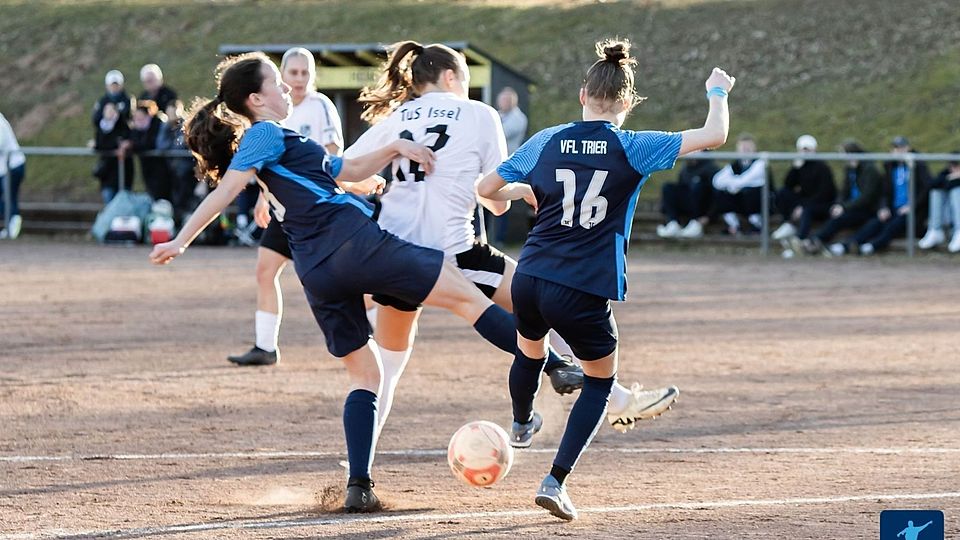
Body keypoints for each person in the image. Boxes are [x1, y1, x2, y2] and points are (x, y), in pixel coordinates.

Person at [149, 52, 560, 513]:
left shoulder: (282, 140)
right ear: (254, 100)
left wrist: (393, 151)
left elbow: (346, 173)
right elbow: (227, 190)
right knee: (466, 296)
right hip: (356, 245)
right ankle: (552, 367)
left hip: (317, 273)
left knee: (367, 375)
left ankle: (358, 485)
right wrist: (181, 239)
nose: (287, 90)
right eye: (277, 85)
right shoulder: (263, 133)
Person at [345, 41, 674, 435]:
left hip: (395, 256)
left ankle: (358, 467)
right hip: (455, 254)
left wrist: (372, 183)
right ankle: (601, 391)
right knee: (545, 300)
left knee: (388, 368)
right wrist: (522, 190)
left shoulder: (395, 120)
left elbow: (341, 172)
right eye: (465, 77)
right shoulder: (479, 114)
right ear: (451, 77)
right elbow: (496, 202)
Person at [478, 38, 734, 520]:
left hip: (530, 276)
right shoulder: (634, 146)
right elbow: (714, 134)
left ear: (582, 94)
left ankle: (519, 423)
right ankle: (555, 481)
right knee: (600, 383)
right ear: (628, 103)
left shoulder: (548, 139)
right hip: (583, 287)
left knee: (530, 350)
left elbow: (486, 190)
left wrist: (517, 194)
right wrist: (717, 90)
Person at [227, 47, 348, 366]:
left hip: (316, 207)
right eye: (292, 73)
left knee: (346, 276)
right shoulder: (279, 109)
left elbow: (333, 154)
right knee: (265, 269)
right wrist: (266, 198)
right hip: (286, 209)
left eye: (304, 73)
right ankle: (265, 346)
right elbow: (275, 163)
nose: (298, 79)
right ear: (281, 75)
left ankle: (373, 334)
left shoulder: (320, 105)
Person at [835, 136, 930, 255]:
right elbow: (884, 191)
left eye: (901, 148)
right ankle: (849, 245)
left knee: (894, 224)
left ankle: (872, 246)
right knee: (876, 222)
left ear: (908, 148)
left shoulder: (918, 165)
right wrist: (883, 207)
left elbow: (926, 189)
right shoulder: (890, 166)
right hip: (893, 208)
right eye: (895, 148)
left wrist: (911, 206)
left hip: (913, 210)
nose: (898, 151)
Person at [801, 140, 883, 256]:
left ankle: (818, 241)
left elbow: (867, 197)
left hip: (866, 209)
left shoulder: (869, 170)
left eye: (843, 153)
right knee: (835, 215)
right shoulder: (849, 169)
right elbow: (843, 192)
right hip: (852, 207)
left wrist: (844, 207)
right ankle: (815, 241)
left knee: (842, 218)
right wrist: (839, 205)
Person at [772, 135, 836, 254]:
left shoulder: (822, 168)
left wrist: (802, 207)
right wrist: (795, 168)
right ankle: (788, 223)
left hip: (822, 204)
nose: (804, 153)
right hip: (806, 201)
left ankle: (800, 239)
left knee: (807, 210)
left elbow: (824, 194)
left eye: (807, 150)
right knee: (782, 193)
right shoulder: (800, 166)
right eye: (802, 150)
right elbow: (788, 185)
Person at [710, 133, 767, 235]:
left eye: (748, 147)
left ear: (754, 148)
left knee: (749, 193)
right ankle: (734, 225)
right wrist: (733, 184)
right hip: (739, 200)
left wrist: (732, 183)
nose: (745, 149)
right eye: (742, 147)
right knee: (721, 194)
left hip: (759, 201)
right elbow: (717, 181)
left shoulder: (760, 163)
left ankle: (757, 224)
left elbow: (745, 180)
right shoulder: (735, 165)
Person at [492, 87, 528, 245]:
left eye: (507, 100)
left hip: (508, 166)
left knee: (502, 200)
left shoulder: (518, 118)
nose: (503, 102)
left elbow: (499, 133)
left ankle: (499, 239)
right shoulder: (499, 115)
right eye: (502, 99)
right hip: (493, 165)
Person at [656, 152, 718, 239]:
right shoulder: (685, 169)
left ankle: (695, 224)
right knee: (668, 187)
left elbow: (716, 195)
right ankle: (673, 223)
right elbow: (681, 186)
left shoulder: (711, 168)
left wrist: (709, 216)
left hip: (702, 207)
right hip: (688, 203)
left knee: (698, 186)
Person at [156, 100, 199, 221]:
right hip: (170, 171)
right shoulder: (165, 127)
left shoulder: (187, 126)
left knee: (187, 200)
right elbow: (161, 146)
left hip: (187, 171)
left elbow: (184, 145)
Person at [129, 100, 172, 202]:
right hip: (147, 165)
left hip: (161, 166)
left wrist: (133, 145)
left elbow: (150, 144)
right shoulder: (138, 128)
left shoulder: (157, 124)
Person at [917, 152, 960, 253]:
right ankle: (935, 230)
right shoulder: (947, 172)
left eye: (957, 165)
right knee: (936, 192)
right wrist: (951, 177)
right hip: (948, 214)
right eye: (952, 166)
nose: (954, 168)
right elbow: (932, 184)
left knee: (956, 191)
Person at [92, 101, 133, 204]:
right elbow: (100, 145)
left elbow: (125, 141)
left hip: (123, 170)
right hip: (107, 172)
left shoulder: (123, 125)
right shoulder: (101, 127)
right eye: (106, 110)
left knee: (123, 202)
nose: (109, 112)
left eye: (111, 110)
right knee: (109, 201)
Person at [0, 112, 26, 239]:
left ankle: (13, 228)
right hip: (6, 168)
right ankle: (10, 226)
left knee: (10, 198)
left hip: (13, 166)